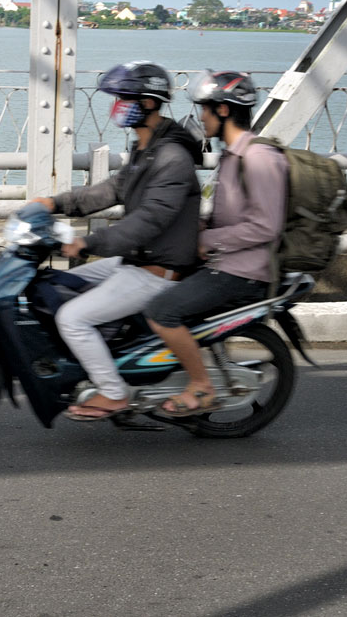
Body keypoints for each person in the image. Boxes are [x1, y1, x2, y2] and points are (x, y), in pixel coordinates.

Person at [33, 61, 203, 421]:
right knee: (63, 281)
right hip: (137, 259)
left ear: (149, 103)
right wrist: (56, 203)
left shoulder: (172, 157)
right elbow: (111, 190)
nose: (117, 105)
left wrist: (88, 243)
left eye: (125, 98)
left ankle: (113, 393)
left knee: (72, 318)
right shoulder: (148, 150)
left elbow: (148, 221)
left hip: (157, 269)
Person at [145, 70, 287, 416]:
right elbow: (228, 217)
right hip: (223, 262)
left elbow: (266, 226)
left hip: (242, 271)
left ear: (223, 110)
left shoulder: (260, 158)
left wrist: (208, 239)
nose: (200, 117)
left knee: (161, 311)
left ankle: (201, 386)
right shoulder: (231, 158)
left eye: (204, 109)